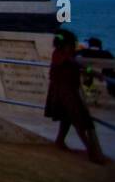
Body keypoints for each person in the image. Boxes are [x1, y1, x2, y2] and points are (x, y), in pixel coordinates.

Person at [45, 29, 106, 164]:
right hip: (64, 92)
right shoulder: (61, 56)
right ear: (64, 45)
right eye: (71, 44)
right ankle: (92, 152)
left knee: (66, 118)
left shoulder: (64, 55)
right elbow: (79, 65)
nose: (73, 46)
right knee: (79, 121)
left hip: (67, 90)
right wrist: (94, 72)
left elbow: (82, 67)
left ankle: (60, 141)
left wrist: (94, 73)